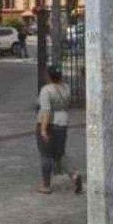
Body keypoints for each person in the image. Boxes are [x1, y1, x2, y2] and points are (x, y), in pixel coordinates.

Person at [35, 66, 83, 195]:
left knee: (46, 154)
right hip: (63, 122)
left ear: (48, 76)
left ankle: (46, 185)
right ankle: (74, 175)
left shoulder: (46, 90)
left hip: (49, 123)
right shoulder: (66, 88)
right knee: (59, 153)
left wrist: (43, 129)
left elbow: (46, 111)